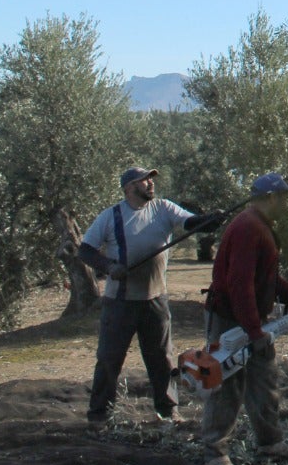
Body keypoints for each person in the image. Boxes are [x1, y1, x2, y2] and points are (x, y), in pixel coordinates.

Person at [198, 172, 288, 465]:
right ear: (270, 197)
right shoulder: (248, 228)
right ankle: (215, 452)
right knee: (227, 381)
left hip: (251, 318)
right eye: (283, 196)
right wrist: (254, 330)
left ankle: (270, 444)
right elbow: (239, 283)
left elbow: (265, 278)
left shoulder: (259, 226)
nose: (286, 202)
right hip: (230, 319)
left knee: (264, 379)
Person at [78, 166, 224, 428]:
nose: (150, 184)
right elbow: (86, 251)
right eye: (143, 180)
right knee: (109, 360)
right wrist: (110, 267)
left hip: (155, 299)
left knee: (162, 359)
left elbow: (189, 222)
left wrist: (209, 220)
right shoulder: (110, 217)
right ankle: (99, 415)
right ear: (129, 188)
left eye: (150, 179)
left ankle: (168, 411)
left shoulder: (164, 208)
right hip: (119, 302)